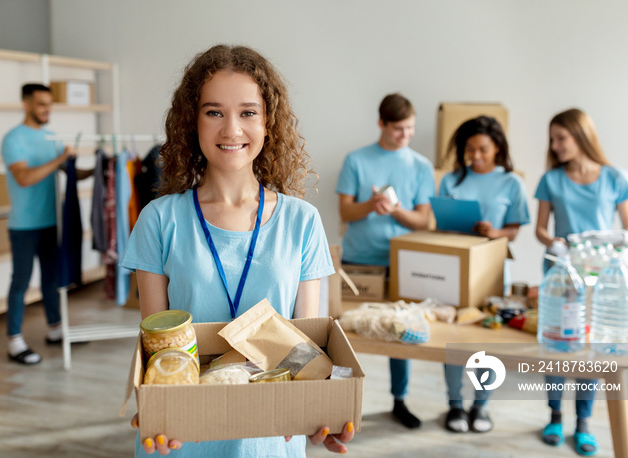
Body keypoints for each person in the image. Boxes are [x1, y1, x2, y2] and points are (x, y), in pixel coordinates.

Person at [120, 44, 354, 457]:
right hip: (184, 433)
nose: (231, 130)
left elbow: (305, 346)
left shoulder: (302, 221)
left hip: (269, 435)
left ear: (269, 124)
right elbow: (161, 350)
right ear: (192, 122)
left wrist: (319, 415)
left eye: (248, 112)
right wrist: (158, 410)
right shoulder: (159, 220)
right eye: (214, 112)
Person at [534, 108, 628, 456]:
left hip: (599, 279)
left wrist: (609, 238)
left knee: (590, 352)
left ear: (581, 136)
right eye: (553, 139)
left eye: (561, 137)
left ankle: (583, 423)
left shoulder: (615, 178)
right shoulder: (551, 179)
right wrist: (556, 244)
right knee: (557, 341)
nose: (555, 145)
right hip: (561, 275)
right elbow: (541, 229)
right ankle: (554, 415)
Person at [335, 93, 434, 429]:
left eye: (410, 129)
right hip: (358, 260)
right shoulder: (356, 160)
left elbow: (423, 221)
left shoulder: (420, 165)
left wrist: (395, 210)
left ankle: (399, 401)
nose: (405, 135)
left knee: (400, 332)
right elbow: (345, 211)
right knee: (347, 333)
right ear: (382, 124)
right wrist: (371, 204)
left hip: (400, 262)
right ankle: (339, 401)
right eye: (398, 129)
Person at [438, 116, 529, 433]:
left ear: (498, 148)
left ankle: (481, 405)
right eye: (470, 150)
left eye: (483, 149)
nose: (475, 156)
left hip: (492, 273)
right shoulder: (451, 181)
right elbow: (441, 225)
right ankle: (454, 405)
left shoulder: (512, 183)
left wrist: (495, 231)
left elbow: (514, 231)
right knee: (453, 342)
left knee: (487, 342)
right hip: (455, 270)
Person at [1, 83, 90, 365]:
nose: (46, 110)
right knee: (21, 282)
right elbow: (24, 178)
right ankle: (14, 340)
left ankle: (55, 330)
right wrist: (60, 159)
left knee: (52, 281)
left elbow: (68, 171)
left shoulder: (52, 137)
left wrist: (102, 165)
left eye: (49, 104)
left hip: (52, 224)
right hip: (24, 226)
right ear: (26, 104)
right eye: (41, 104)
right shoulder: (13, 139)